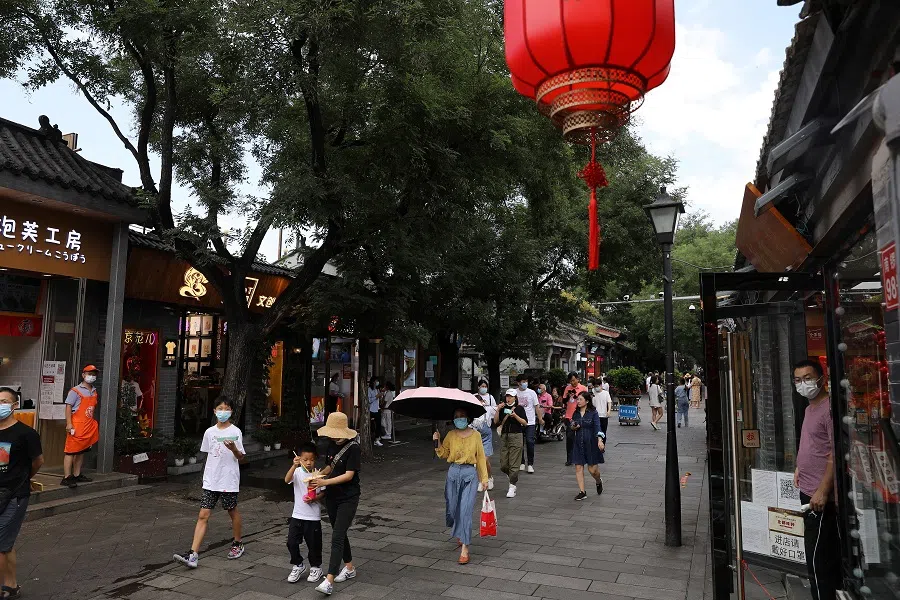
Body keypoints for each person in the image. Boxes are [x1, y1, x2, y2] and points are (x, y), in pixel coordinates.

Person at [174, 397, 246, 569]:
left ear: (231, 412)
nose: (223, 412)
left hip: (229, 479)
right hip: (211, 480)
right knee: (203, 515)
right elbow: (208, 455)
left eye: (226, 409)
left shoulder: (236, 432)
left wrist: (234, 449)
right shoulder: (209, 432)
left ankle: (238, 543)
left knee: (231, 510)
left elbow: (241, 457)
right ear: (214, 411)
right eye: (220, 408)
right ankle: (193, 554)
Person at [792, 360, 842, 600]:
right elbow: (812, 444)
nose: (804, 384)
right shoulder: (810, 408)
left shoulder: (830, 408)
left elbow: (835, 451)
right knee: (815, 559)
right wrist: (799, 467)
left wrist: (823, 490)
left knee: (818, 562)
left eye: (808, 378)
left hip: (820, 496)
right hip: (808, 489)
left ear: (822, 378)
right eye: (798, 380)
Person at [309, 413, 361, 596]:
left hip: (349, 497)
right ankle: (349, 567)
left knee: (337, 536)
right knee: (340, 532)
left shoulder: (354, 448)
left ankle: (329, 580)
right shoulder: (331, 444)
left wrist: (325, 483)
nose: (331, 436)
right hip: (332, 496)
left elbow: (349, 475)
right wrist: (318, 475)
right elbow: (330, 466)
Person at [0, 387, 42, 600]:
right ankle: (11, 586)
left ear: (15, 405)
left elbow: (38, 462)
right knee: (5, 545)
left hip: (15, 494)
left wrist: (25, 478)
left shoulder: (26, 434)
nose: (0, 405)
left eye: (4, 401)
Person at [433, 408, 488, 565]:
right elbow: (444, 454)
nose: (459, 419)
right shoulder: (450, 435)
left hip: (470, 474)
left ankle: (465, 547)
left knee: (465, 510)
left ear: (467, 418)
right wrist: (437, 441)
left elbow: (481, 457)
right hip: (453, 473)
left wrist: (484, 478)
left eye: (462, 416)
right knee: (452, 508)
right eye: (456, 417)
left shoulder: (476, 435)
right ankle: (459, 529)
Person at [284, 442, 325, 584]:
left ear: (315, 459)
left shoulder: (318, 475)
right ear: (299, 459)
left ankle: (316, 567)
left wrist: (314, 498)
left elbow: (323, 493)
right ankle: (298, 564)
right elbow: (287, 480)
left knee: (314, 544)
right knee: (291, 542)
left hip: (313, 516)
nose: (308, 462)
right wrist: (294, 466)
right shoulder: (297, 472)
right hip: (297, 514)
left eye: (312, 459)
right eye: (305, 459)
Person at [62, 365, 101, 488]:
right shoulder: (75, 391)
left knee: (81, 451)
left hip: (88, 426)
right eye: (89, 374)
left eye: (94, 374)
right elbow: (68, 406)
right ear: (83, 375)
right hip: (76, 426)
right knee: (70, 451)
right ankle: (67, 477)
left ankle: (77, 474)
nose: (92, 376)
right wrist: (69, 423)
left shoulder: (94, 391)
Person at [571, 391, 606, 500]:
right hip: (578, 443)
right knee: (578, 467)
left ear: (587, 401)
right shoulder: (575, 413)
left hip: (590, 443)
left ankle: (598, 481)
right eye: (577, 399)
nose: (578, 401)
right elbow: (572, 425)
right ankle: (582, 492)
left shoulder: (593, 412)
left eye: (581, 399)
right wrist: (573, 427)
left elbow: (597, 427)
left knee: (592, 470)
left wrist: (600, 440)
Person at [494, 390, 527, 498]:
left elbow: (525, 422)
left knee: (514, 463)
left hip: (516, 436)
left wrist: (515, 416)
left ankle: (512, 486)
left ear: (515, 398)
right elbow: (496, 422)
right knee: (504, 464)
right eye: (507, 396)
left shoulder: (519, 408)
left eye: (511, 396)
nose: (508, 398)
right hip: (505, 436)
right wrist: (498, 410)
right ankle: (512, 476)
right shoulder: (503, 408)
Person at [472, 380, 496, 492]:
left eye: (485, 386)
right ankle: (481, 480)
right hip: (475, 438)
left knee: (484, 460)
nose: (484, 388)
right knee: (477, 461)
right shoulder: (471, 412)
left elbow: (496, 411)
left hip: (486, 438)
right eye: (482, 386)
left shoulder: (488, 408)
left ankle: (489, 477)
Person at [515, 374, 540, 473]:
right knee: (519, 443)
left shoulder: (532, 393)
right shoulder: (514, 392)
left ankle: (530, 464)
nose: (525, 383)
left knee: (530, 442)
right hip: (518, 421)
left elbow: (536, 406)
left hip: (530, 422)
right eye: (523, 381)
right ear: (518, 383)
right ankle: (521, 462)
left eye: (526, 381)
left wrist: (540, 418)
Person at [561, 372, 586, 466]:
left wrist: (576, 396)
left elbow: (586, 401)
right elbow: (563, 401)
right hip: (569, 416)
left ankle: (581, 456)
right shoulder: (568, 388)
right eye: (570, 381)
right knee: (570, 438)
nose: (572, 382)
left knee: (581, 437)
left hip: (580, 416)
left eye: (574, 380)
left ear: (578, 379)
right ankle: (569, 458)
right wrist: (568, 396)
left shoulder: (583, 388)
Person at [367, 377, 382, 447]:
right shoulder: (369, 390)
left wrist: (380, 396)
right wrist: (376, 396)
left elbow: (378, 399)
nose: (377, 382)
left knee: (379, 424)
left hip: (377, 408)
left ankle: (377, 439)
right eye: (376, 381)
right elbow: (369, 400)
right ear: (373, 382)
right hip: (371, 409)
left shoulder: (377, 389)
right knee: (371, 425)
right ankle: (370, 438)